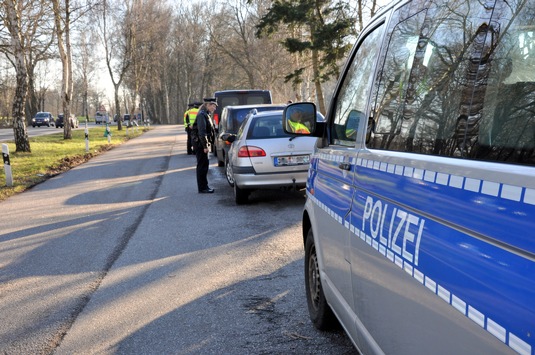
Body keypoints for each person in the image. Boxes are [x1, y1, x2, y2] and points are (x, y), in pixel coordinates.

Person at [192, 97, 217, 193]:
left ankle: (204, 186)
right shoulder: (202, 115)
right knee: (202, 166)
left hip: (200, 143)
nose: (214, 108)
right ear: (207, 105)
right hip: (200, 144)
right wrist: (205, 146)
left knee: (203, 165)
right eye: (213, 106)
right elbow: (202, 132)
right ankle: (203, 188)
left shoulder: (205, 114)